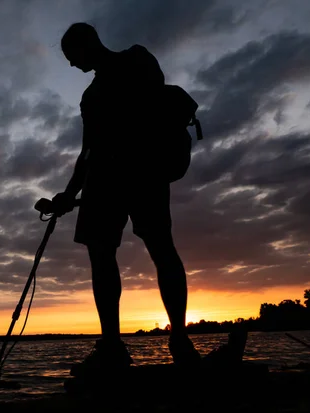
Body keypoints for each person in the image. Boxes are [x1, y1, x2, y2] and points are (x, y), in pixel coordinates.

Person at [51, 22, 201, 375]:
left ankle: (174, 339)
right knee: (107, 254)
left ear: (86, 44)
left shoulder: (136, 59)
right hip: (112, 177)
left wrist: (78, 189)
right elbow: (87, 152)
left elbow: (152, 107)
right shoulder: (92, 94)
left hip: (138, 172)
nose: (72, 65)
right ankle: (115, 346)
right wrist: (68, 195)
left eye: (72, 56)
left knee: (157, 249)